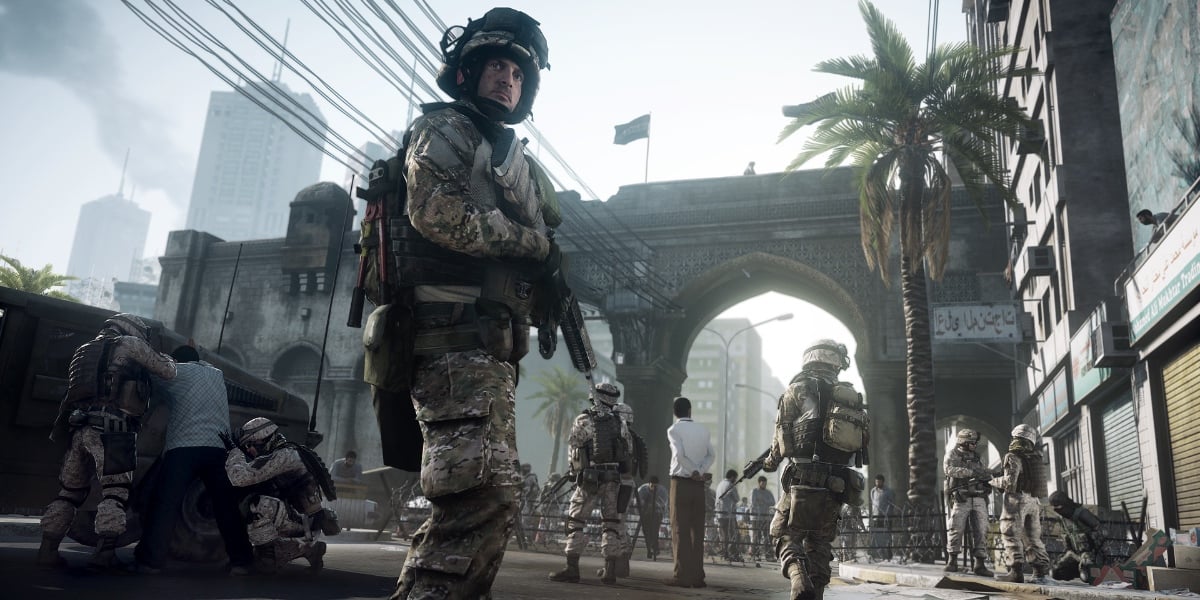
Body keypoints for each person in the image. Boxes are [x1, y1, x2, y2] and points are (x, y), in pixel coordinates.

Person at [384, 8, 555, 600]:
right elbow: (436, 213)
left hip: (489, 350)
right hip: (450, 339)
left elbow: (541, 242)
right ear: (466, 74)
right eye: (496, 67)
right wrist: (531, 244)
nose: (507, 79)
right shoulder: (447, 130)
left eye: (517, 72)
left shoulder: (512, 154)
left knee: (484, 503)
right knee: (481, 496)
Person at [37, 313, 178, 570]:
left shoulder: (84, 350)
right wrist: (166, 357)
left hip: (80, 430)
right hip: (114, 431)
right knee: (115, 493)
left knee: (69, 493)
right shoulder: (130, 345)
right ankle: (104, 554)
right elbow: (168, 371)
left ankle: (47, 549)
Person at [761, 339, 868, 600]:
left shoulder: (797, 389)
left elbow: (781, 438)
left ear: (810, 359)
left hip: (802, 477)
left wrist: (769, 463)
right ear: (835, 363)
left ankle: (798, 580)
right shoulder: (848, 396)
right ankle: (816, 593)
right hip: (837, 482)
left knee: (783, 534)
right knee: (820, 543)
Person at [133, 345, 254, 575]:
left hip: (184, 447)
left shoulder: (177, 373)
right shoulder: (216, 374)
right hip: (219, 448)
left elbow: (154, 379)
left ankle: (150, 562)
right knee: (226, 507)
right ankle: (242, 561)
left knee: (166, 504)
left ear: (176, 361)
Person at [223, 417, 339, 574]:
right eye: (246, 446)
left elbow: (240, 478)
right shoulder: (287, 452)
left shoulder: (285, 455)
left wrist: (234, 452)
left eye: (251, 445)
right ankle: (304, 548)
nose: (249, 450)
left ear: (265, 438)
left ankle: (270, 556)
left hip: (302, 523)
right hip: (301, 520)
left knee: (257, 505)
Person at [548, 383, 632, 585]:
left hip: (590, 479)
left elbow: (574, 446)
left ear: (595, 398)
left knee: (575, 520)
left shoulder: (584, 419)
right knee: (610, 523)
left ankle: (572, 568)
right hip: (612, 479)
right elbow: (627, 448)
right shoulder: (619, 421)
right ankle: (610, 570)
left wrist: (572, 471)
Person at [989, 424, 1050, 583]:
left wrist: (992, 481)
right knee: (1032, 537)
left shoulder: (1013, 456)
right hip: (1033, 500)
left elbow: (1009, 483)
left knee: (1010, 533)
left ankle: (1015, 572)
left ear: (1016, 438)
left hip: (1016, 500)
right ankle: (1040, 572)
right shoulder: (1035, 457)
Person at [665, 396, 715, 588]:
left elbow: (678, 455)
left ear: (675, 412)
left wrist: (693, 471)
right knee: (697, 530)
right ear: (690, 410)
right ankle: (697, 577)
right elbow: (712, 454)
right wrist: (701, 471)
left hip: (681, 483)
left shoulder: (674, 430)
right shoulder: (703, 430)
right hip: (699, 486)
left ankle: (681, 576)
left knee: (680, 529)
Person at [943, 429, 993, 576]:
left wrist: (989, 475)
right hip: (961, 496)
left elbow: (983, 471)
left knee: (982, 529)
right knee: (956, 528)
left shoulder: (978, 457)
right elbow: (948, 469)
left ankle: (980, 564)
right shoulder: (952, 454)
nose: (974, 445)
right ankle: (952, 561)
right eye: (972, 442)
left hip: (978, 497)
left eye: (975, 442)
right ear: (962, 441)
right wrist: (969, 473)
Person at [1048, 490, 1108, 582]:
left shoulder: (1081, 513)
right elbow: (1065, 536)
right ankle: (1078, 570)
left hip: (1090, 554)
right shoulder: (1063, 519)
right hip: (1073, 554)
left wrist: (1097, 550)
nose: (1055, 510)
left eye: (1057, 506)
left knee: (1086, 576)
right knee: (1055, 572)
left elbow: (1101, 531)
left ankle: (1085, 569)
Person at [637, 475, 668, 560]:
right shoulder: (642, 490)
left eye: (655, 486)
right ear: (649, 484)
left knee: (654, 530)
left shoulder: (662, 491)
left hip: (657, 513)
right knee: (646, 531)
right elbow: (638, 502)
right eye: (652, 486)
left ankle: (653, 548)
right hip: (645, 513)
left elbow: (663, 504)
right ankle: (652, 548)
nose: (653, 488)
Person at [715, 469, 742, 561]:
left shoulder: (720, 484)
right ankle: (732, 554)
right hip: (729, 514)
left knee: (724, 535)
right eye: (735, 478)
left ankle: (725, 553)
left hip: (720, 513)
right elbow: (737, 499)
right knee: (733, 534)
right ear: (732, 477)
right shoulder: (730, 485)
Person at [868, 475, 896, 561]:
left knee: (887, 536)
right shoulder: (873, 491)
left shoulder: (888, 491)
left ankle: (888, 554)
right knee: (877, 536)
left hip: (886, 517)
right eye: (876, 482)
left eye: (879, 482)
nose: (877, 483)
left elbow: (892, 504)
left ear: (883, 482)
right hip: (876, 517)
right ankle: (878, 554)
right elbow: (873, 503)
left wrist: (889, 514)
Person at [749, 476, 776, 561]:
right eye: (763, 483)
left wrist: (763, 501)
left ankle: (768, 555)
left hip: (765, 517)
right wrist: (762, 502)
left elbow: (773, 502)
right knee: (756, 536)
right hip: (756, 517)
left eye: (765, 483)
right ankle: (755, 555)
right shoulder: (754, 491)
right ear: (759, 482)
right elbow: (753, 503)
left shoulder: (768, 492)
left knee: (767, 536)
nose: (764, 484)